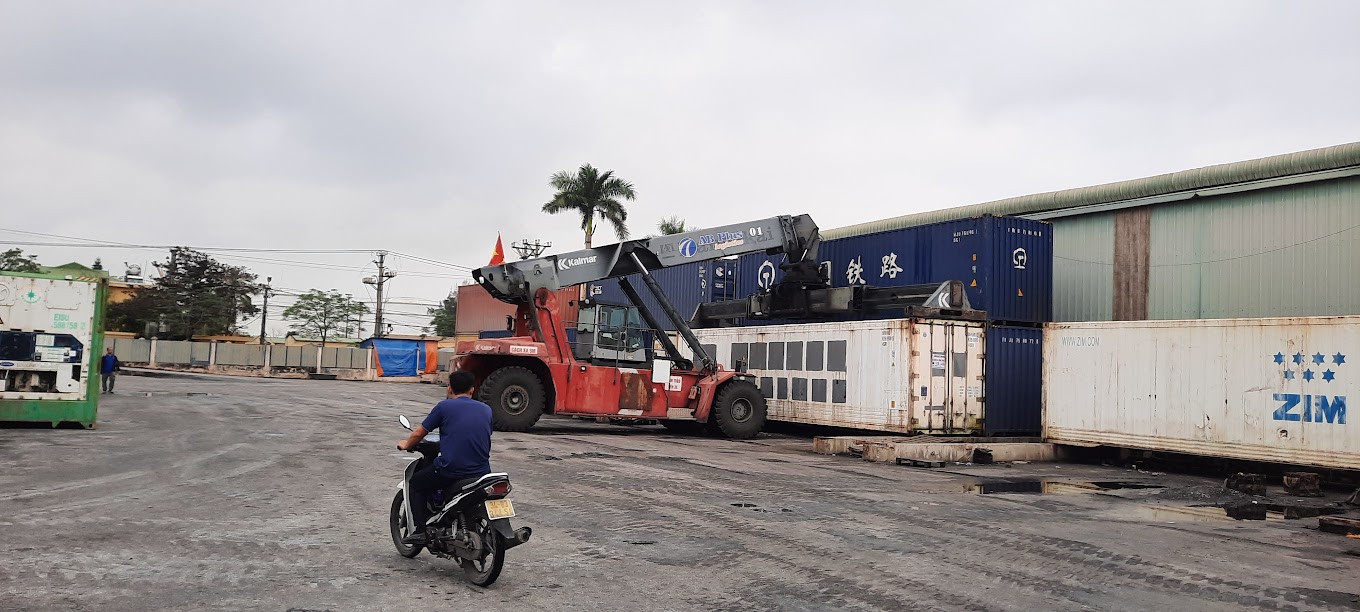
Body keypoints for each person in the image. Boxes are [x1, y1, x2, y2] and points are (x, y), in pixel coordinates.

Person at [397, 370, 493, 545]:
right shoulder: (486, 410)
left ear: (449, 389)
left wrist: (406, 444)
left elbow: (419, 433)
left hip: (452, 470)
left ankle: (420, 532)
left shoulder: (444, 407)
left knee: (416, 483)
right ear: (472, 390)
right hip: (483, 472)